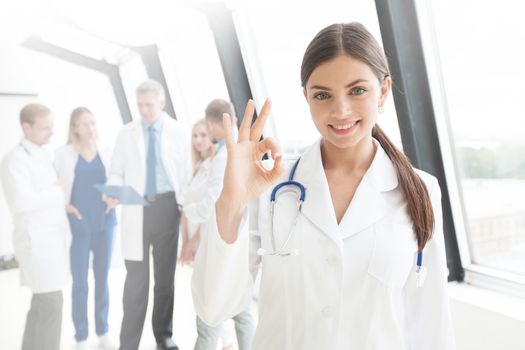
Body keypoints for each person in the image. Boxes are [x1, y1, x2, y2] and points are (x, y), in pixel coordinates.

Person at [191, 22, 456, 350]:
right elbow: (214, 307)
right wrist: (231, 201)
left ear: (384, 90)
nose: (340, 110)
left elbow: (431, 324)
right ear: (307, 98)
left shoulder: (421, 191)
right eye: (322, 95)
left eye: (357, 90)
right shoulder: (272, 192)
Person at [105, 80, 191, 350]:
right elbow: (116, 170)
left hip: (167, 208)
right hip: (137, 207)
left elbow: (186, 173)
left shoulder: (179, 131)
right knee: (136, 283)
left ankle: (163, 335)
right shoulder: (125, 133)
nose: (143, 110)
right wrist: (114, 189)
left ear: (161, 103)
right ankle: (128, 342)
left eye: (149, 105)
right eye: (140, 105)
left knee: (165, 280)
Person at [181, 111, 253, 350]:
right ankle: (226, 342)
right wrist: (186, 241)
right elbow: (187, 212)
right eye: (195, 135)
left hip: (212, 241)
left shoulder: (218, 163)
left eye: (203, 134)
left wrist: (192, 240)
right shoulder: (199, 167)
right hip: (200, 242)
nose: (200, 140)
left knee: (216, 312)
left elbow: (211, 211)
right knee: (223, 307)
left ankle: (226, 342)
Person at [1, 103, 69, 350]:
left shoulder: (42, 155)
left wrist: (62, 202)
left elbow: (46, 199)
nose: (51, 132)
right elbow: (20, 202)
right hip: (36, 244)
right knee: (52, 304)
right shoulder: (14, 160)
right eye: (45, 128)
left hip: (49, 242)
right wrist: (57, 192)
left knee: (41, 306)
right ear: (26, 128)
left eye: (52, 126)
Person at [54, 107, 117, 349]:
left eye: (93, 123)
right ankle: (81, 335)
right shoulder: (62, 155)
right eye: (84, 124)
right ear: (74, 128)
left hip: (105, 223)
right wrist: (65, 206)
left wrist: (115, 198)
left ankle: (103, 331)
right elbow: (55, 187)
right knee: (80, 282)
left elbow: (117, 181)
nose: (90, 128)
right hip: (79, 226)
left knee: (102, 280)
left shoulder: (107, 151)